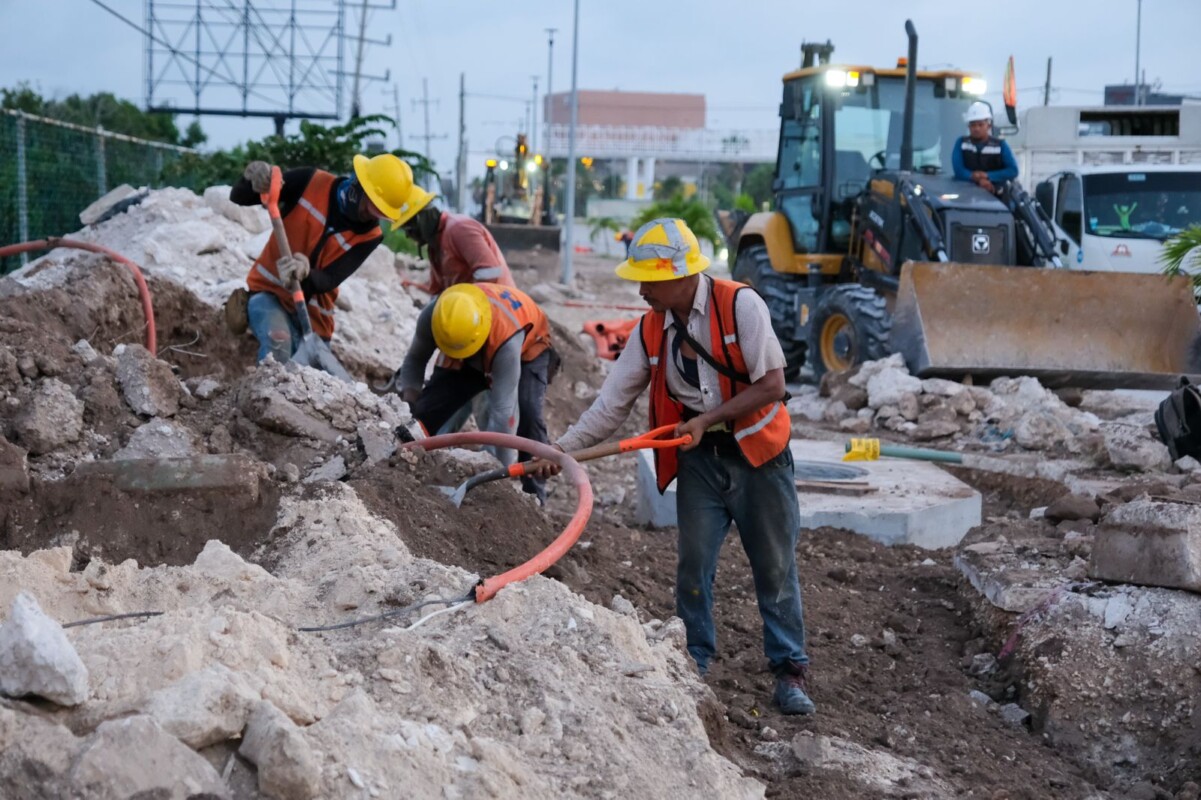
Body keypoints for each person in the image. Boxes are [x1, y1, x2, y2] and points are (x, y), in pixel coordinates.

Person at [531, 218, 815, 716]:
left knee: (774, 567)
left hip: (758, 456)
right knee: (693, 564)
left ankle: (789, 670)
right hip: (701, 459)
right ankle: (694, 661)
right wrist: (563, 451)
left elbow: (772, 385)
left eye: (649, 279)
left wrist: (708, 418)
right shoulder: (650, 329)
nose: (640, 290)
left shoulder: (740, 305)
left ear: (681, 275)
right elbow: (612, 404)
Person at [232, 154, 412, 363]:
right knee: (278, 345)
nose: (370, 217)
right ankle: (265, 394)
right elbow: (239, 197)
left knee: (313, 381)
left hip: (314, 321)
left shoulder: (370, 236)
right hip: (269, 294)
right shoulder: (310, 182)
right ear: (358, 186)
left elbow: (330, 278)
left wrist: (305, 271)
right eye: (371, 207)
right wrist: (253, 179)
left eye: (379, 213)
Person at [398, 282, 555, 503]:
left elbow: (503, 414)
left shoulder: (506, 341)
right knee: (426, 413)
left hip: (528, 349)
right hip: (468, 351)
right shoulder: (437, 316)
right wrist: (409, 405)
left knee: (528, 415)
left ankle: (534, 496)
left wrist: (499, 479)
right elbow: (415, 359)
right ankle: (405, 471)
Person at [392, 183, 516, 294]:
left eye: (408, 229)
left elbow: (490, 272)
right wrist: (415, 287)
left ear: (421, 220)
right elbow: (439, 291)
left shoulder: (460, 229)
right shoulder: (436, 243)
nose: (408, 235)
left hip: (498, 306)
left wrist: (462, 300)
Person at [952, 101, 1019, 195]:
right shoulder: (961, 143)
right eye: (973, 125)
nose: (976, 128)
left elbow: (1013, 171)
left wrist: (987, 176)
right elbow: (958, 170)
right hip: (964, 195)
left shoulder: (1000, 145)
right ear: (969, 126)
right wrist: (975, 178)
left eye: (980, 124)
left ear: (988, 125)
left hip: (997, 196)